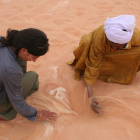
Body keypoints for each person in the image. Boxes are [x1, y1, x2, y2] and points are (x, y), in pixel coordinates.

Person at [68, 15, 140, 114]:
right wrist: (91, 96)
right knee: (86, 41)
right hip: (96, 47)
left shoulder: (136, 36)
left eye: (117, 46)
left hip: (118, 51)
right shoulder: (100, 40)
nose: (114, 48)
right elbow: (93, 64)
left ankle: (120, 70)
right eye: (112, 45)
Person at [0, 28, 57, 122]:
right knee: (33, 77)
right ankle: (5, 114)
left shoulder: (3, 40)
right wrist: (38, 113)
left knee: (22, 61)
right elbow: (17, 101)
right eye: (34, 57)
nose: (34, 60)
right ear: (23, 50)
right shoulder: (12, 70)